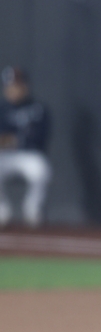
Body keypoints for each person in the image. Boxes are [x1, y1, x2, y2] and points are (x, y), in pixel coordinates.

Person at [0, 67, 51, 227]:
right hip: (5, 156)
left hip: (29, 155)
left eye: (16, 85)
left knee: (41, 169)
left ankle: (32, 208)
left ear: (24, 86)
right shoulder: (2, 109)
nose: (12, 89)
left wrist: (11, 140)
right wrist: (12, 140)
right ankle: (2, 210)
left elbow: (39, 138)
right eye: (9, 86)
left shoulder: (38, 109)